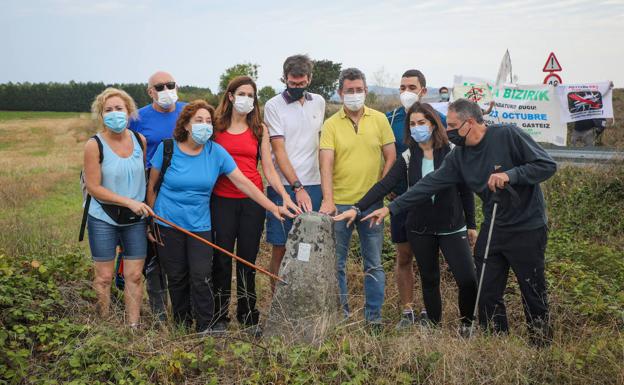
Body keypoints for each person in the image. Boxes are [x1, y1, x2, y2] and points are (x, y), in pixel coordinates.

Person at [362, 99, 557, 345]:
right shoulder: (460, 157)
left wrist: (510, 175)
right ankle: (496, 341)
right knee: (485, 290)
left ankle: (540, 344)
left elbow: (547, 165)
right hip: (494, 226)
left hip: (527, 226)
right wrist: (390, 209)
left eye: (453, 125)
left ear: (470, 123)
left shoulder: (507, 135)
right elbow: (427, 185)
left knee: (532, 289)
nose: (449, 130)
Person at [146, 100, 293, 334]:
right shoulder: (167, 149)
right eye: (198, 121)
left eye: (208, 122)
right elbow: (152, 187)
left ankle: (206, 326)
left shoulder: (216, 152)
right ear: (185, 125)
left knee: (201, 275)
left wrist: (272, 207)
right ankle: (182, 323)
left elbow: (243, 182)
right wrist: (151, 223)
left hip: (199, 224)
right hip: (167, 223)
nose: (204, 125)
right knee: (176, 276)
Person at [334, 102, 478, 333]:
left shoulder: (452, 150)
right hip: (420, 226)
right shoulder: (409, 156)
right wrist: (357, 208)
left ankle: (468, 324)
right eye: (412, 124)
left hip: (452, 226)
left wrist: (471, 224)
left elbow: (465, 190)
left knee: (467, 278)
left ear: (433, 124)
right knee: (429, 279)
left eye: (421, 122)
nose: (416, 127)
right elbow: (385, 185)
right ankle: (432, 324)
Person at [211, 76, 300, 334]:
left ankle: (248, 316)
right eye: (242, 93)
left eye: (251, 95)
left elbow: (269, 169)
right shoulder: (216, 127)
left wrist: (284, 195)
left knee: (247, 261)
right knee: (222, 259)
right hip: (222, 200)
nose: (246, 99)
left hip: (252, 203)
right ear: (230, 96)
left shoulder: (259, 128)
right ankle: (219, 317)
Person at [319, 68, 396, 328]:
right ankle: (342, 316)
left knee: (373, 263)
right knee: (337, 264)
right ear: (340, 93)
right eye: (349, 91)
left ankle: (373, 318)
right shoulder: (330, 124)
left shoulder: (379, 120)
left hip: (372, 204)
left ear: (365, 91)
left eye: (359, 90)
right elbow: (326, 164)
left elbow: (391, 158)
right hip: (339, 204)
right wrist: (328, 199)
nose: (354, 95)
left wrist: (381, 191)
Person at [83, 87, 153, 327]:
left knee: (134, 275)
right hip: (103, 217)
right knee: (103, 277)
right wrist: (128, 201)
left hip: (134, 220)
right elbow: (93, 187)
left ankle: (132, 327)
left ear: (129, 111)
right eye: (108, 110)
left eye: (119, 109)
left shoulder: (139, 140)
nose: (115, 114)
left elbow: (140, 177)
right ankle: (105, 325)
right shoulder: (94, 145)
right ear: (101, 115)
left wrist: (140, 205)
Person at [385, 70, 447, 327]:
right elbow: (386, 155)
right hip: (401, 199)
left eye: (412, 86)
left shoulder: (439, 118)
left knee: (429, 259)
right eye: (402, 87)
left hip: (435, 202)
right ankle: (407, 310)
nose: (406, 91)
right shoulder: (390, 120)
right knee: (404, 256)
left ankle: (430, 312)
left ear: (423, 90)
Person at [264, 54, 326, 290]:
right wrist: (296, 187)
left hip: (314, 182)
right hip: (284, 186)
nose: (297, 88)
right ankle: (277, 301)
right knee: (281, 246)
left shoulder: (318, 102)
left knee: (308, 244)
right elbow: (279, 150)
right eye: (292, 84)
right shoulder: (273, 105)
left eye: (301, 84)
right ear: (285, 79)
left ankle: (302, 296)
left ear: (309, 79)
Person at [129, 71, 187, 320]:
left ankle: (184, 309)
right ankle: (159, 313)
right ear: (150, 91)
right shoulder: (138, 118)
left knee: (182, 250)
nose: (166, 90)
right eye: (159, 86)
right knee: (154, 249)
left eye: (170, 85)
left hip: (184, 191)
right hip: (150, 189)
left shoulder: (188, 112)